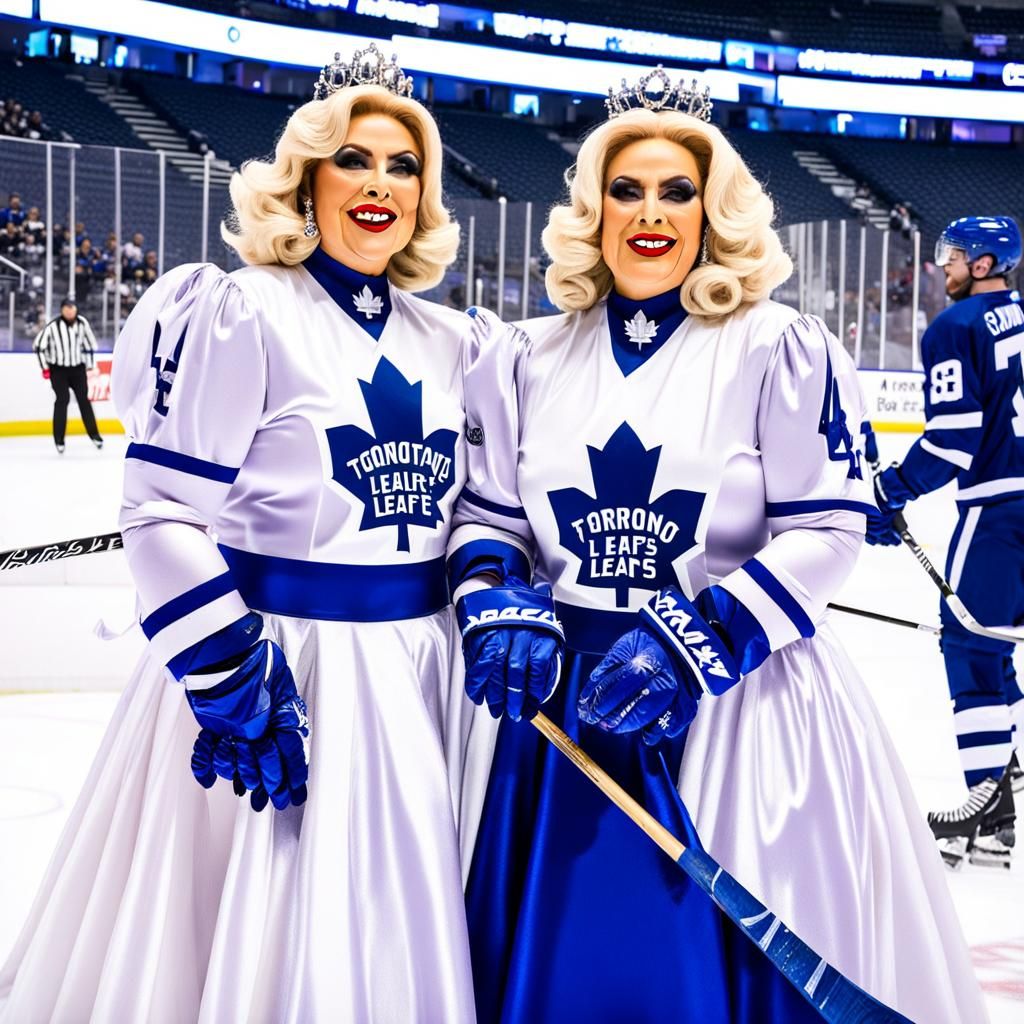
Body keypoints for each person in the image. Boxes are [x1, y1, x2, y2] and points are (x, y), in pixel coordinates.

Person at [449, 75, 987, 1023]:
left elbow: (826, 530)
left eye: (677, 190)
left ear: (715, 209)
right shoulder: (522, 356)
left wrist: (693, 645)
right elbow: (489, 520)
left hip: (742, 706)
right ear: (592, 208)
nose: (650, 213)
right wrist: (495, 599)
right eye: (627, 189)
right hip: (565, 721)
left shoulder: (780, 346)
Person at [1, 45, 490, 1021]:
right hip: (278, 671)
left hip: (418, 683)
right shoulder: (239, 311)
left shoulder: (460, 342)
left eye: (404, 166)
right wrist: (229, 672)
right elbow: (161, 513)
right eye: (354, 158)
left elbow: (488, 508)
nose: (379, 183)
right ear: (306, 177)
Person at [868, 214, 1024, 869]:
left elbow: (952, 440)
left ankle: (987, 808)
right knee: (995, 647)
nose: (944, 267)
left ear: (985, 263)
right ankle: (1000, 807)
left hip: (999, 514)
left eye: (954, 257)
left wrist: (890, 490)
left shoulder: (955, 328)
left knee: (966, 643)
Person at [31, 296, 103, 454]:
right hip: (58, 370)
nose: (70, 311)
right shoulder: (52, 326)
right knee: (62, 400)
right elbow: (38, 346)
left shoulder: (82, 323)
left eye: (73, 308)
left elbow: (91, 344)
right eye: (67, 308)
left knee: (84, 400)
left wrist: (90, 366)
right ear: (62, 310)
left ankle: (95, 436)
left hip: (78, 369)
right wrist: (45, 368)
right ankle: (59, 440)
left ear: (76, 309)